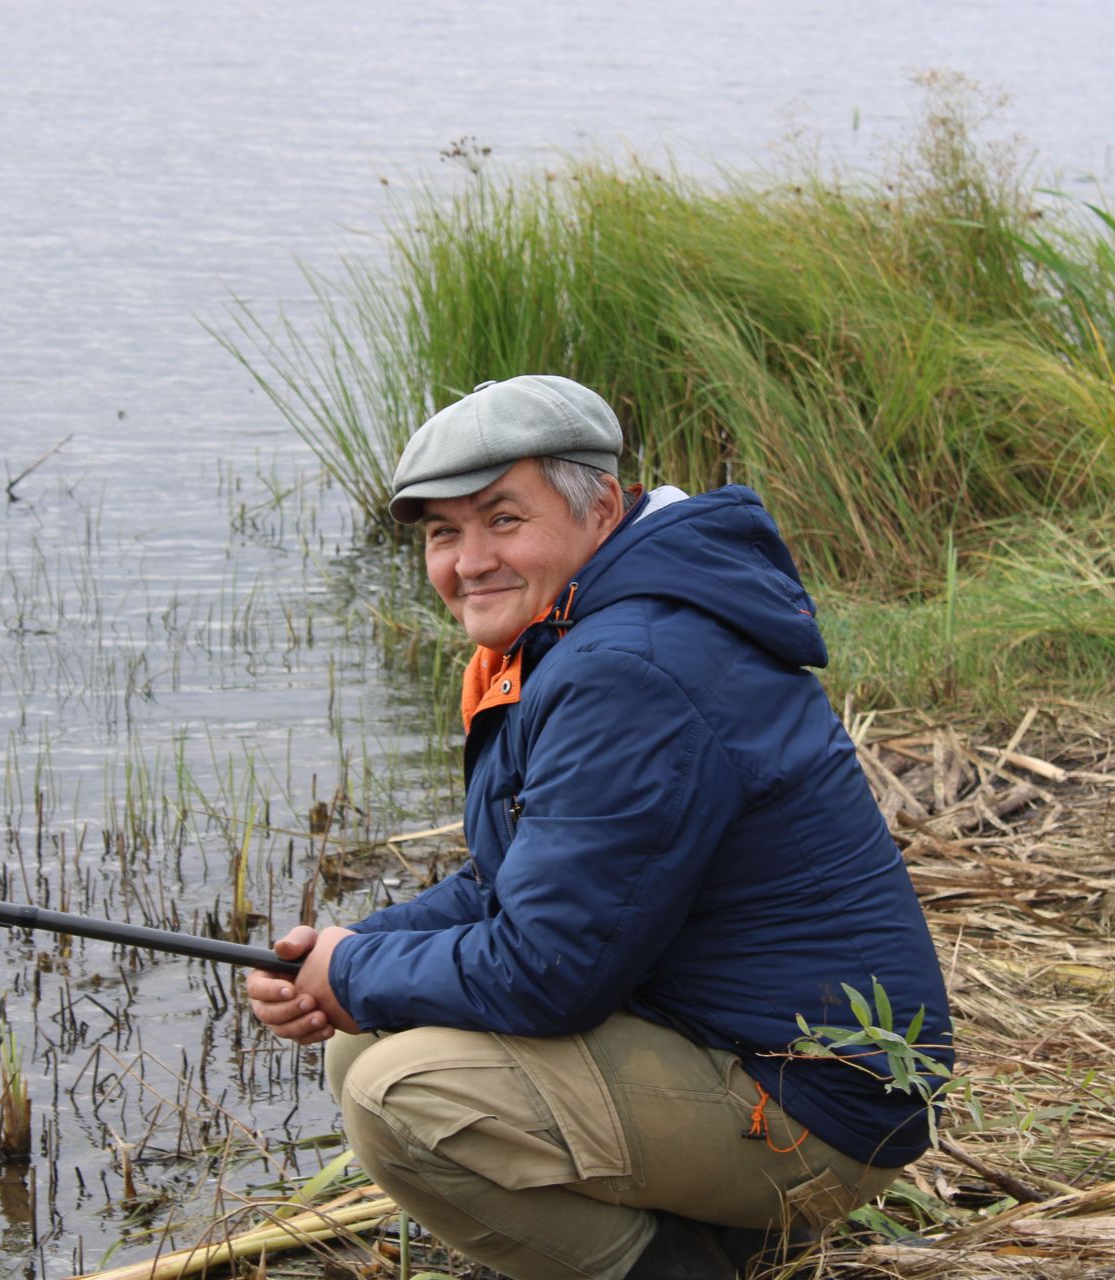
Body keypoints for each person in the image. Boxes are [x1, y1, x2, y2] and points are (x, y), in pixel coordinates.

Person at [246, 375, 952, 1280]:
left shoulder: (632, 665)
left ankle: (682, 1267)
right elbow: (519, 880)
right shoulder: (585, 628)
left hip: (818, 1103)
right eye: (443, 534)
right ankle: (720, 1239)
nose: (468, 562)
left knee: (399, 1093)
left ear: (602, 506)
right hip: (746, 1046)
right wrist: (344, 953)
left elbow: (550, 973)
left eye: (504, 520)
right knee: (362, 1040)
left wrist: (352, 968)